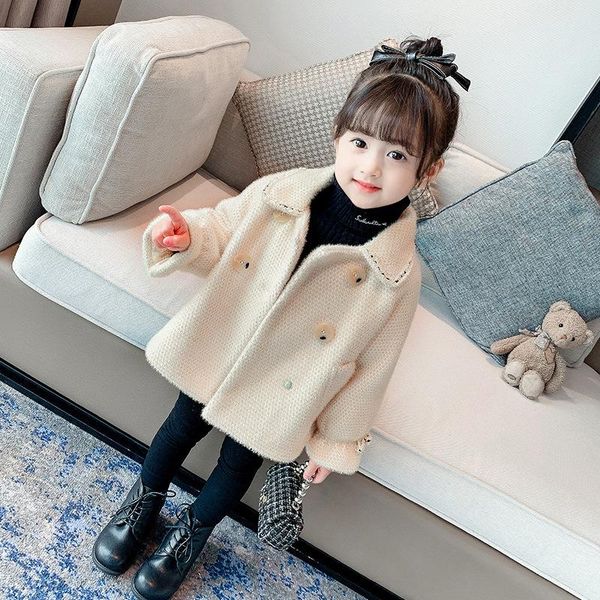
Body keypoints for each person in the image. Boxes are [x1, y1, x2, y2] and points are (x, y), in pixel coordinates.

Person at [92, 34, 469, 600]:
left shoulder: (397, 273)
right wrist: (187, 237)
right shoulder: (280, 194)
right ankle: (143, 501)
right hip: (227, 341)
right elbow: (224, 227)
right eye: (360, 142)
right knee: (178, 428)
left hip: (285, 380)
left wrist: (335, 441)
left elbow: (373, 367)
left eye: (397, 155)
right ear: (337, 136)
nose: (371, 167)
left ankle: (191, 533)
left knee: (235, 468)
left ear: (427, 170)